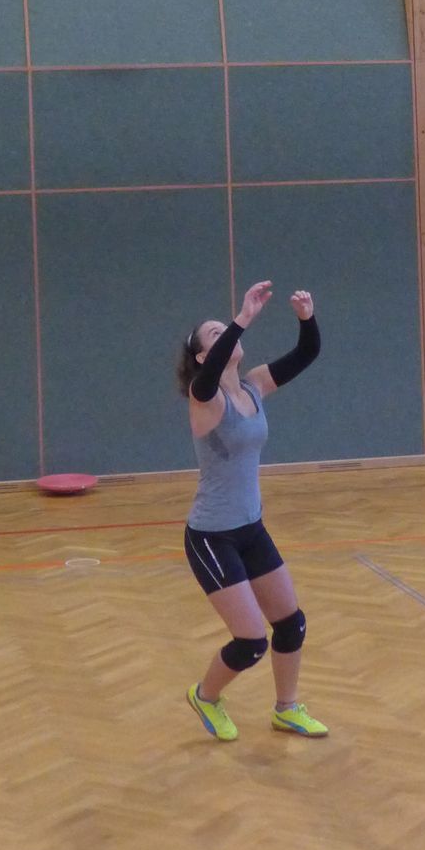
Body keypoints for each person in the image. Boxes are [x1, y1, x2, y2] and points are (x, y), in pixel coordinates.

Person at [176, 280, 326, 742]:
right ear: (204, 354)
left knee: (291, 624)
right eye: (215, 333)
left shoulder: (254, 384)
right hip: (211, 537)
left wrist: (306, 318)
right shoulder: (205, 398)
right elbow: (206, 379)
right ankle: (205, 696)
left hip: (251, 529)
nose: (226, 334)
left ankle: (287, 709)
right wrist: (241, 318)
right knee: (251, 642)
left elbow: (306, 354)